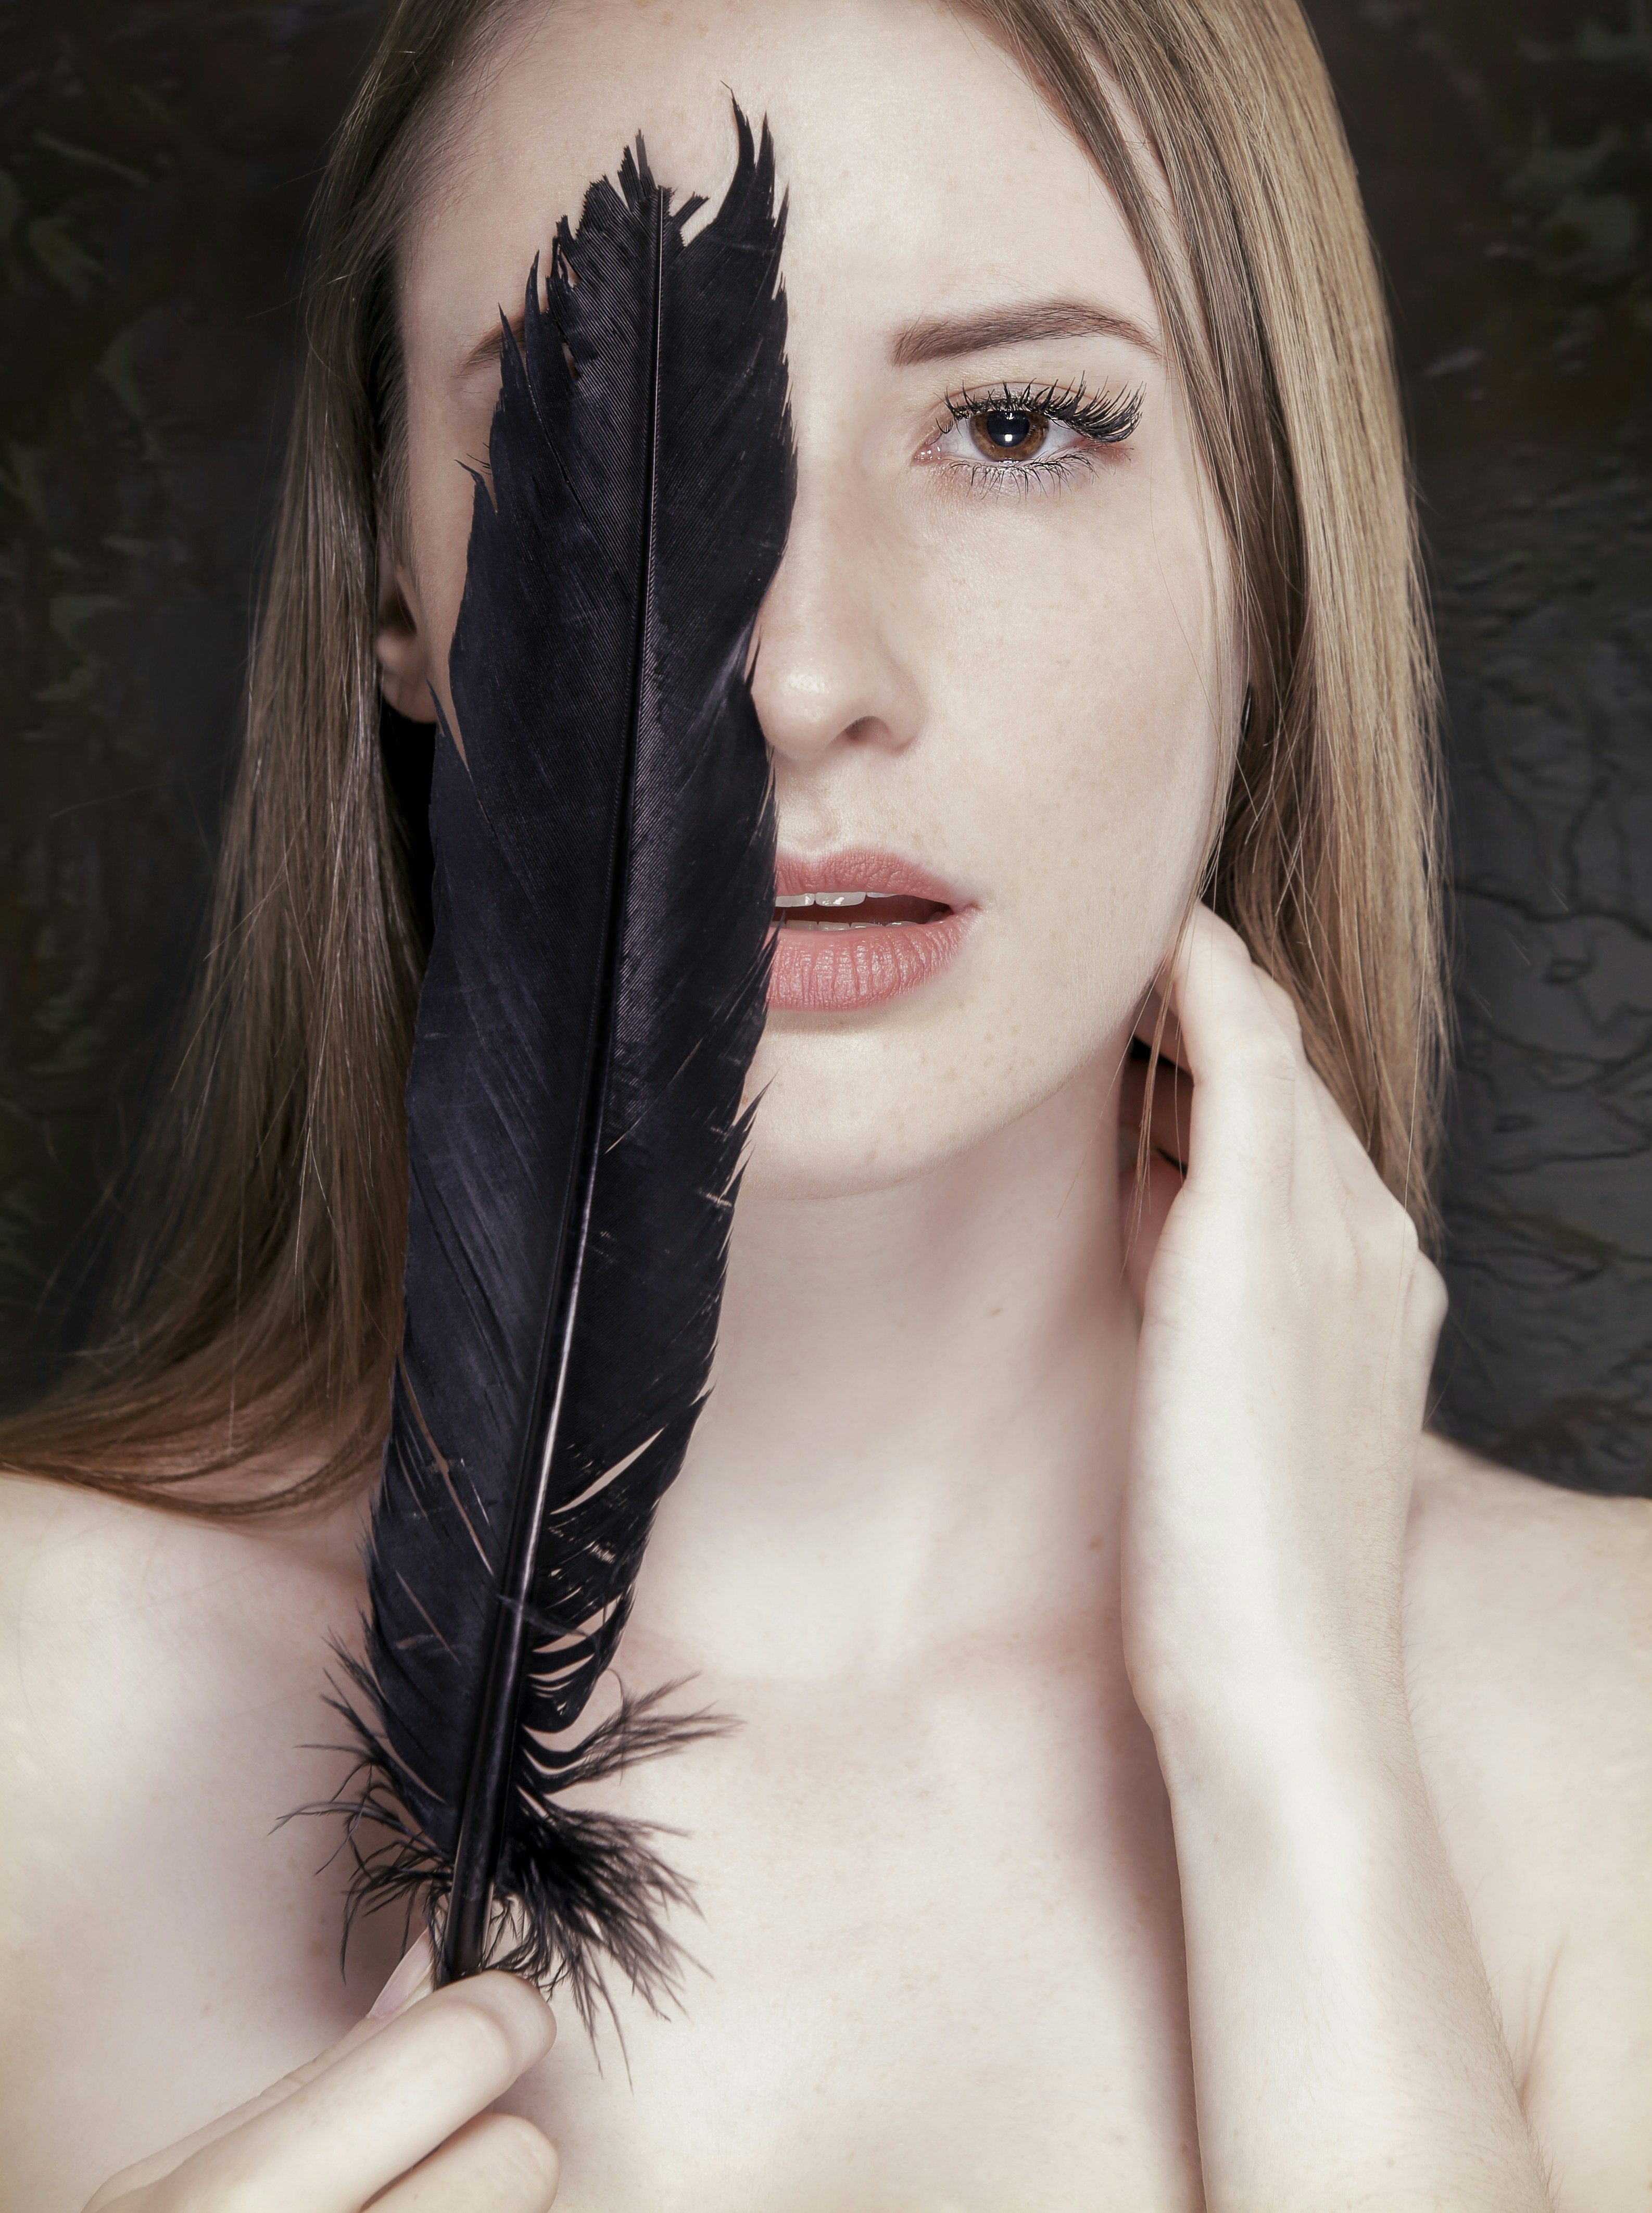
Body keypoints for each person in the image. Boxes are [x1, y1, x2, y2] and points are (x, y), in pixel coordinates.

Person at [2, 0, 1647, 2206]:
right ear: (396, 579)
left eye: (1017, 425)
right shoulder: (35, 1705)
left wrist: (1301, 1757)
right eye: (602, 422)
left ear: (1272, 547)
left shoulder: (1615, 1737)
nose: (793, 675)